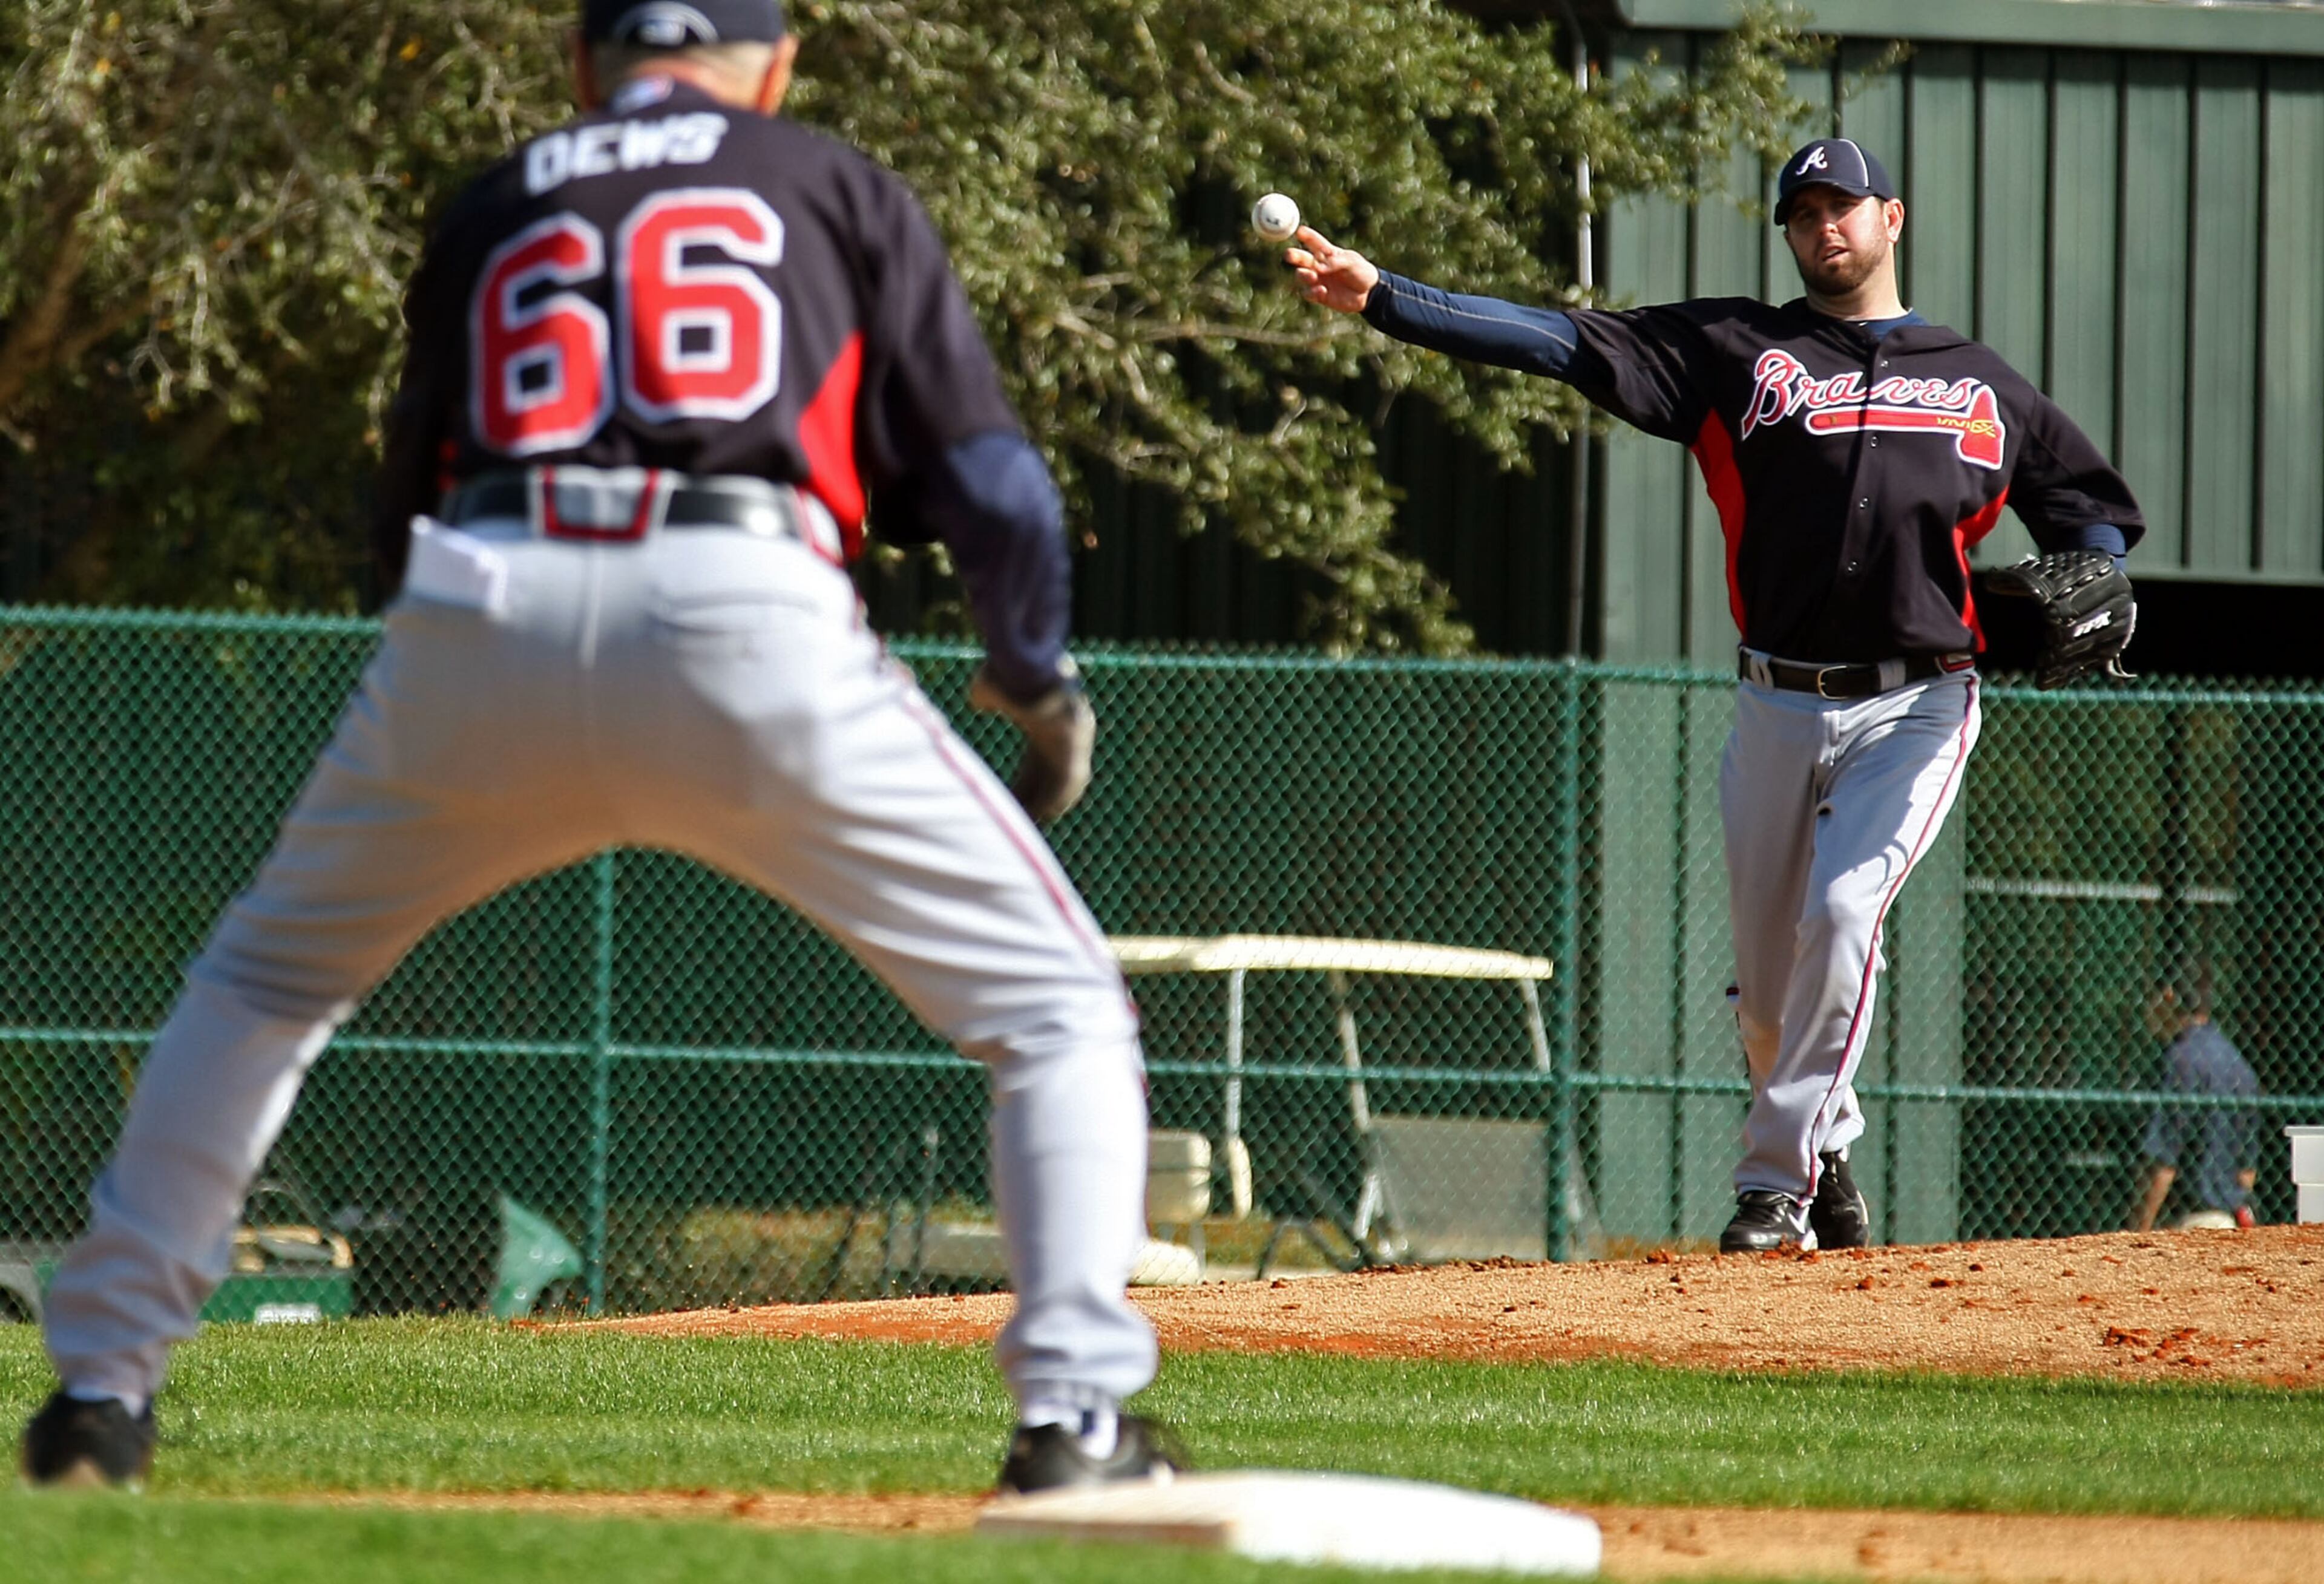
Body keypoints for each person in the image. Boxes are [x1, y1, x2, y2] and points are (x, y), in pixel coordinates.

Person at [20, 0, 1171, 1495]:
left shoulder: (503, 197)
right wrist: (1032, 685)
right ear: (778, 62)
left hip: (484, 594)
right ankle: (1072, 1423)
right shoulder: (825, 180)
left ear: (585, 63)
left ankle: (100, 1398)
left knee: (260, 984)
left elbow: (407, 485)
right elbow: (1000, 493)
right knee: (1057, 1010)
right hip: (742, 604)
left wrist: (447, 682)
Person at [1288, 137, 2145, 1254]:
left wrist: (2094, 572)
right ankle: (1824, 1141)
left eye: (1843, 207)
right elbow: (1559, 341)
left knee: (1844, 915)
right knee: (1763, 992)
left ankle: (1771, 1188)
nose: (1823, 227)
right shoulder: (1736, 350)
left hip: (1920, 703)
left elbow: (2090, 517)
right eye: (1803, 213)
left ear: (1894, 218)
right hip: (1777, 702)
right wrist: (1389, 298)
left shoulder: (1980, 381)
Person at [2130, 963, 2260, 1232]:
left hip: (2193, 1222)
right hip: (2234, 1220)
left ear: (2167, 997)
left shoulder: (2180, 1060)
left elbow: (2164, 1162)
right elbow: (2247, 1171)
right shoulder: (2238, 1062)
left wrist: (2139, 1233)